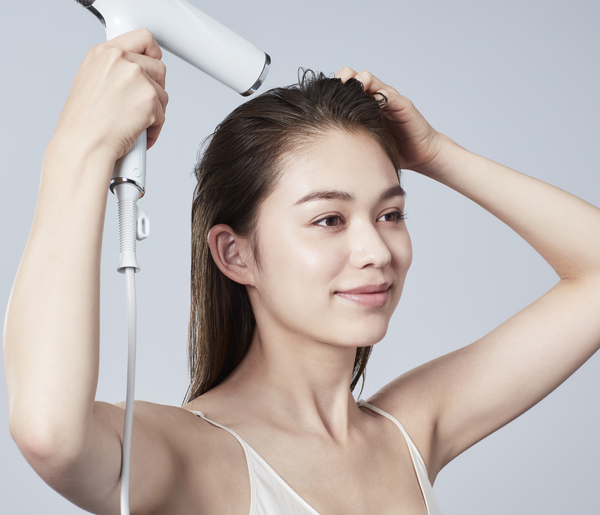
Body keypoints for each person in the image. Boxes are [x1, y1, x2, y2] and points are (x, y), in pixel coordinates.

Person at [4, 28, 599, 515]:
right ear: (235, 254)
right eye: (329, 220)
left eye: (390, 214)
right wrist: (79, 149)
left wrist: (438, 154)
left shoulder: (409, 431)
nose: (375, 250)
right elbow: (51, 435)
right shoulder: (192, 456)